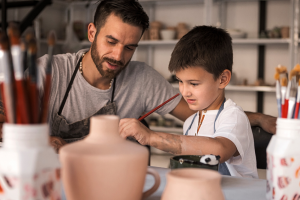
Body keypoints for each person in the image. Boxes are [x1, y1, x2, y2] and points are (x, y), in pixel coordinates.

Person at [0, 0, 275, 152]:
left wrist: (257, 118)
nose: (119, 56)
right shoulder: (49, 71)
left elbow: (203, 111)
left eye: (130, 47)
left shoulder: (142, 79)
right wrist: (38, 140)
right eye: (111, 41)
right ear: (92, 33)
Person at [119, 26, 259, 178]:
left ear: (222, 79)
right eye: (180, 81)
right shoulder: (191, 122)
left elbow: (220, 150)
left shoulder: (233, 116)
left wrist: (151, 137)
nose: (184, 91)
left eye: (194, 83)